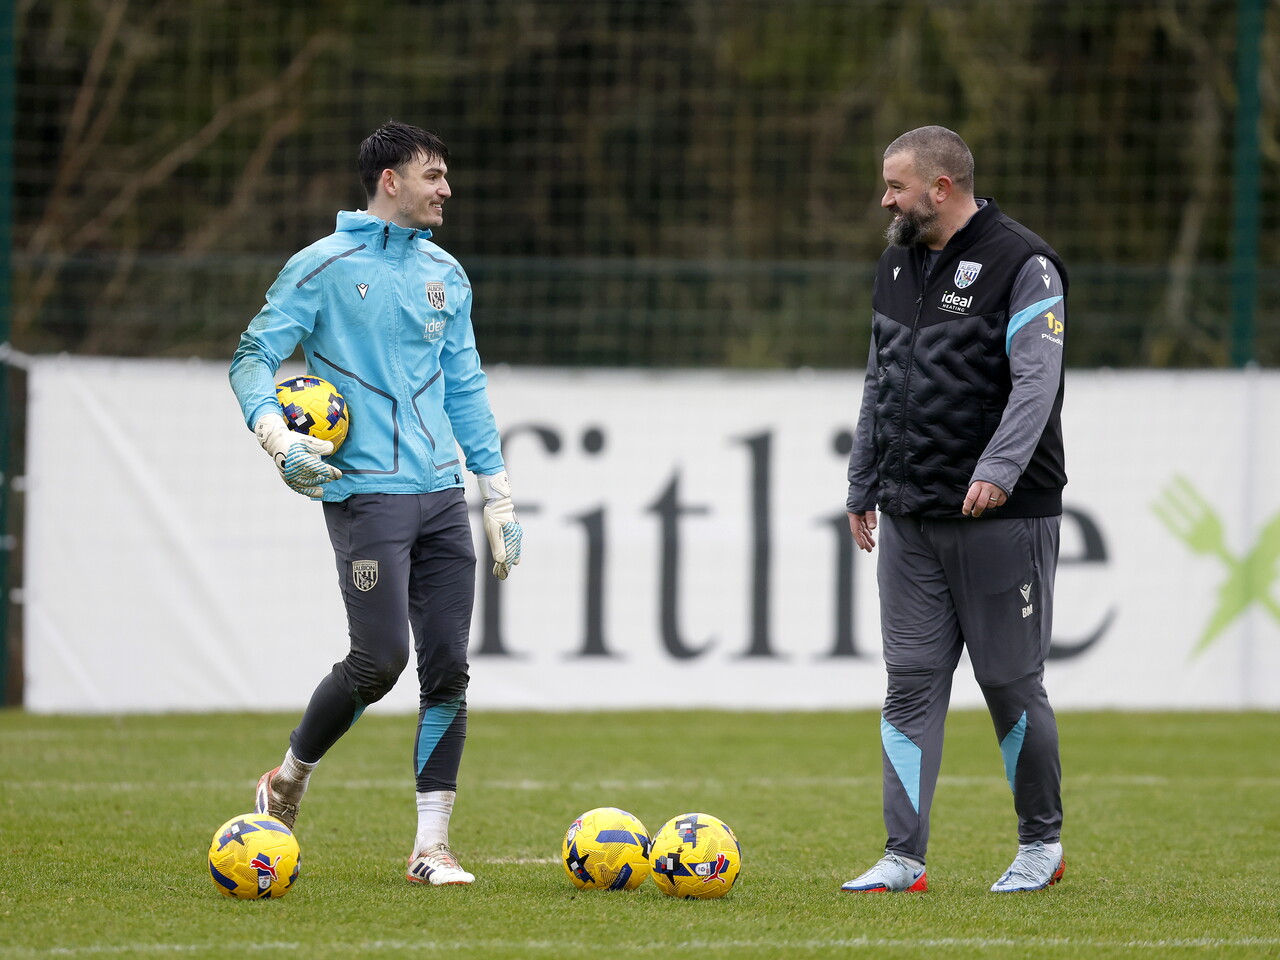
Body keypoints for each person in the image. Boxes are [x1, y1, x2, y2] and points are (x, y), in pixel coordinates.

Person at [229, 120, 523, 887]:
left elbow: (465, 387)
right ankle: (289, 776)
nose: (447, 188)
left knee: (449, 667)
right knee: (379, 660)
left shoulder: (447, 274)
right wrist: (277, 438)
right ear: (390, 181)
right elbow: (253, 357)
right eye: (434, 175)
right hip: (366, 498)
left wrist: (496, 494)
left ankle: (431, 848)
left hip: (442, 497)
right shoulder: (322, 266)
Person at [842, 126, 1068, 894]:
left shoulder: (1024, 264)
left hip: (1002, 517)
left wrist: (999, 471)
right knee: (908, 683)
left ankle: (1041, 845)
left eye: (896, 186)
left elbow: (1037, 382)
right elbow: (879, 381)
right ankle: (902, 858)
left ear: (941, 188)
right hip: (911, 515)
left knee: (1009, 683)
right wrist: (863, 481)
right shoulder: (894, 265)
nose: (885, 200)